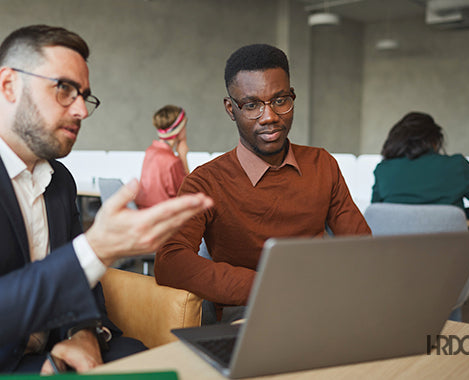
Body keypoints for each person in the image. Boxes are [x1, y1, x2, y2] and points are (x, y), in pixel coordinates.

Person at [0, 25, 212, 379]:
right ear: (9, 84)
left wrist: (82, 333)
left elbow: (78, 283)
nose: (82, 109)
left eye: (85, 95)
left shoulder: (59, 180)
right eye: (65, 89)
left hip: (51, 353)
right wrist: (96, 247)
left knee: (165, 366)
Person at [154, 44, 371, 323]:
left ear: (292, 97)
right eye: (252, 105)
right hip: (250, 310)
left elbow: (361, 248)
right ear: (231, 109)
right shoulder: (205, 182)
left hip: (321, 303)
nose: (269, 117)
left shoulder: (322, 164)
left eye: (280, 100)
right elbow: (170, 261)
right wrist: (269, 286)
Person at [372, 111, 469, 224]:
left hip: (395, 249)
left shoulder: (383, 170)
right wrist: (458, 214)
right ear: (435, 141)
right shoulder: (457, 166)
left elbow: (376, 218)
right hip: (450, 249)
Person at [135, 105, 190, 209]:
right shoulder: (173, 161)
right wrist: (183, 157)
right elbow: (188, 194)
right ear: (180, 129)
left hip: (145, 213)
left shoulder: (150, 151)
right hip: (165, 218)